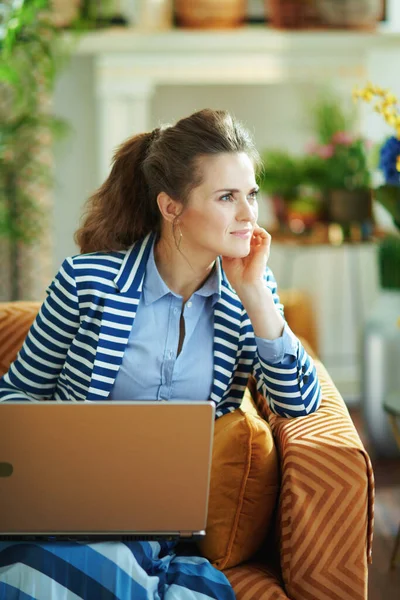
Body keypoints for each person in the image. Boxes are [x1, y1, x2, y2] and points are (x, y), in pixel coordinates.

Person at [0, 109, 321, 599]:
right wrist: (53, 464)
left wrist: (255, 294)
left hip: (164, 529)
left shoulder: (250, 293)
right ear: (171, 207)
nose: (248, 215)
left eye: (250, 194)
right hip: (69, 514)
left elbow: (299, 403)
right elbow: (16, 395)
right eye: (226, 197)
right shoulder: (87, 282)